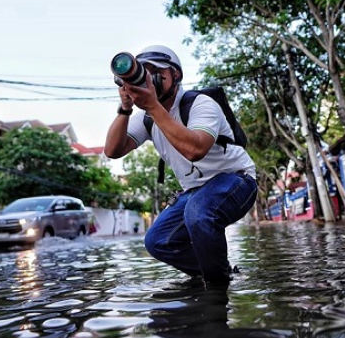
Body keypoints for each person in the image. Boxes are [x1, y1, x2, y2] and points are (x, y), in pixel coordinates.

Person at [104, 45, 257, 288]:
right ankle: (219, 271)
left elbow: (195, 150)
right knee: (158, 240)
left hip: (236, 180)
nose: (150, 81)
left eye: (157, 73)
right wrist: (125, 108)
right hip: (196, 192)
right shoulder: (146, 118)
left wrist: (153, 106)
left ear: (176, 75)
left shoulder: (200, 104)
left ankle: (217, 290)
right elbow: (112, 151)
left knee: (198, 212)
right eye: (145, 74)